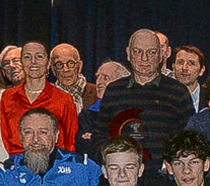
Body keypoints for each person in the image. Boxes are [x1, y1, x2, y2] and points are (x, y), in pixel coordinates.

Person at [83, 29, 195, 161]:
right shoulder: (114, 90)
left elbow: (191, 139)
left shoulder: (178, 92)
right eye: (137, 51)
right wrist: (112, 160)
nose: (144, 58)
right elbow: (99, 136)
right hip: (121, 176)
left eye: (151, 52)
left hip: (164, 176)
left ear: (161, 56)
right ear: (128, 54)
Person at [0, 42, 79, 155]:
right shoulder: (8, 97)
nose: (33, 62)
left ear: (48, 63)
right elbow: (6, 136)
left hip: (54, 165)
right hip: (19, 165)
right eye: (28, 57)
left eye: (39, 57)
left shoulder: (64, 99)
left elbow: (70, 142)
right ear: (22, 62)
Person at [50, 44, 93, 111]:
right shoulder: (47, 97)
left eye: (70, 63)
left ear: (80, 66)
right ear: (53, 69)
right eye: (59, 64)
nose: (65, 69)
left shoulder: (97, 94)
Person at [174, 45, 210, 112]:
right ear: (173, 68)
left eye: (191, 63)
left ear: (201, 70)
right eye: (180, 62)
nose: (184, 68)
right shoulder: (162, 96)